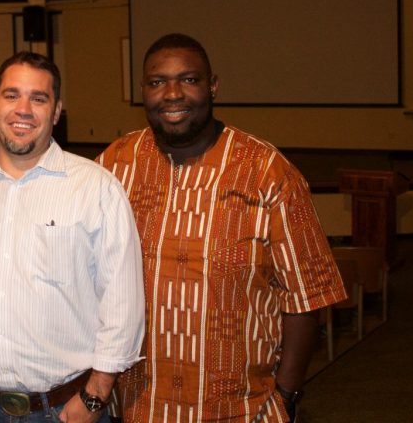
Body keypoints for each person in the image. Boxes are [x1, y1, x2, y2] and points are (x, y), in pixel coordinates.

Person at [96, 34, 346, 423]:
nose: (172, 94)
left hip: (240, 410)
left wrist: (287, 393)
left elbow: (307, 296)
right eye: (157, 82)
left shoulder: (267, 172)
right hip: (133, 408)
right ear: (142, 91)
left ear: (213, 86)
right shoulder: (114, 166)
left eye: (189, 80)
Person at [0, 51, 145, 423]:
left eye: (38, 99)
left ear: (56, 112)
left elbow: (123, 301)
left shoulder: (95, 189)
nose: (23, 109)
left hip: (66, 410)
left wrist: (96, 395)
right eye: (11, 95)